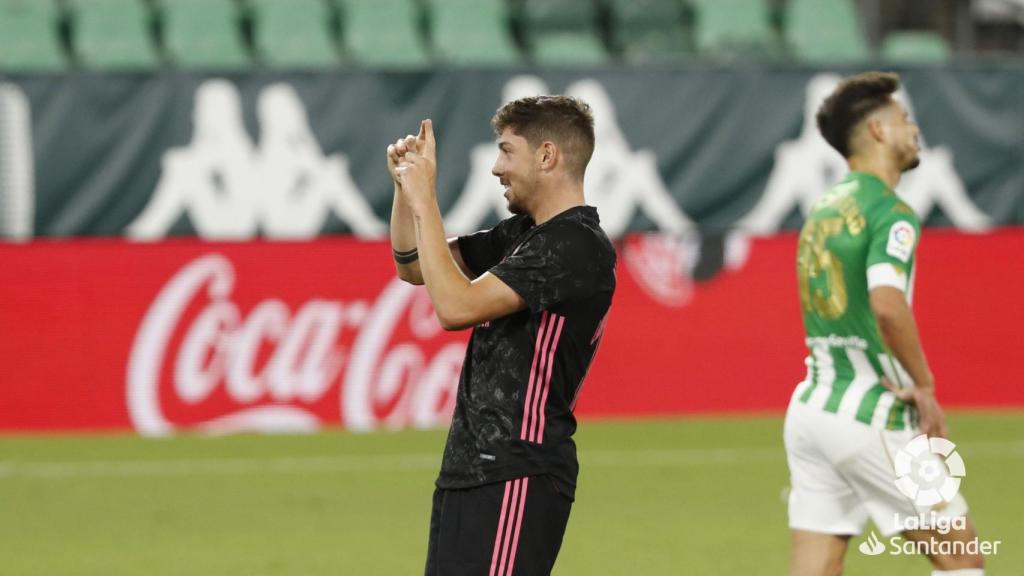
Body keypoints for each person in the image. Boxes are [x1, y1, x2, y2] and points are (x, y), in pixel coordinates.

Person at [387, 96, 617, 576]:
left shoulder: (574, 245)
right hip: (471, 470)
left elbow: (455, 307)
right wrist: (406, 191)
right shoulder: (525, 234)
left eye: (507, 151)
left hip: (518, 470)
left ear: (547, 155)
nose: (496, 168)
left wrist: (427, 199)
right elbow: (414, 267)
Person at [785, 71, 985, 575]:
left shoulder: (821, 209)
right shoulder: (891, 212)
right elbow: (887, 304)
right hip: (868, 414)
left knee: (816, 567)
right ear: (877, 131)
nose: (914, 129)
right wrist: (924, 385)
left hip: (811, 409)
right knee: (962, 560)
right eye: (904, 119)